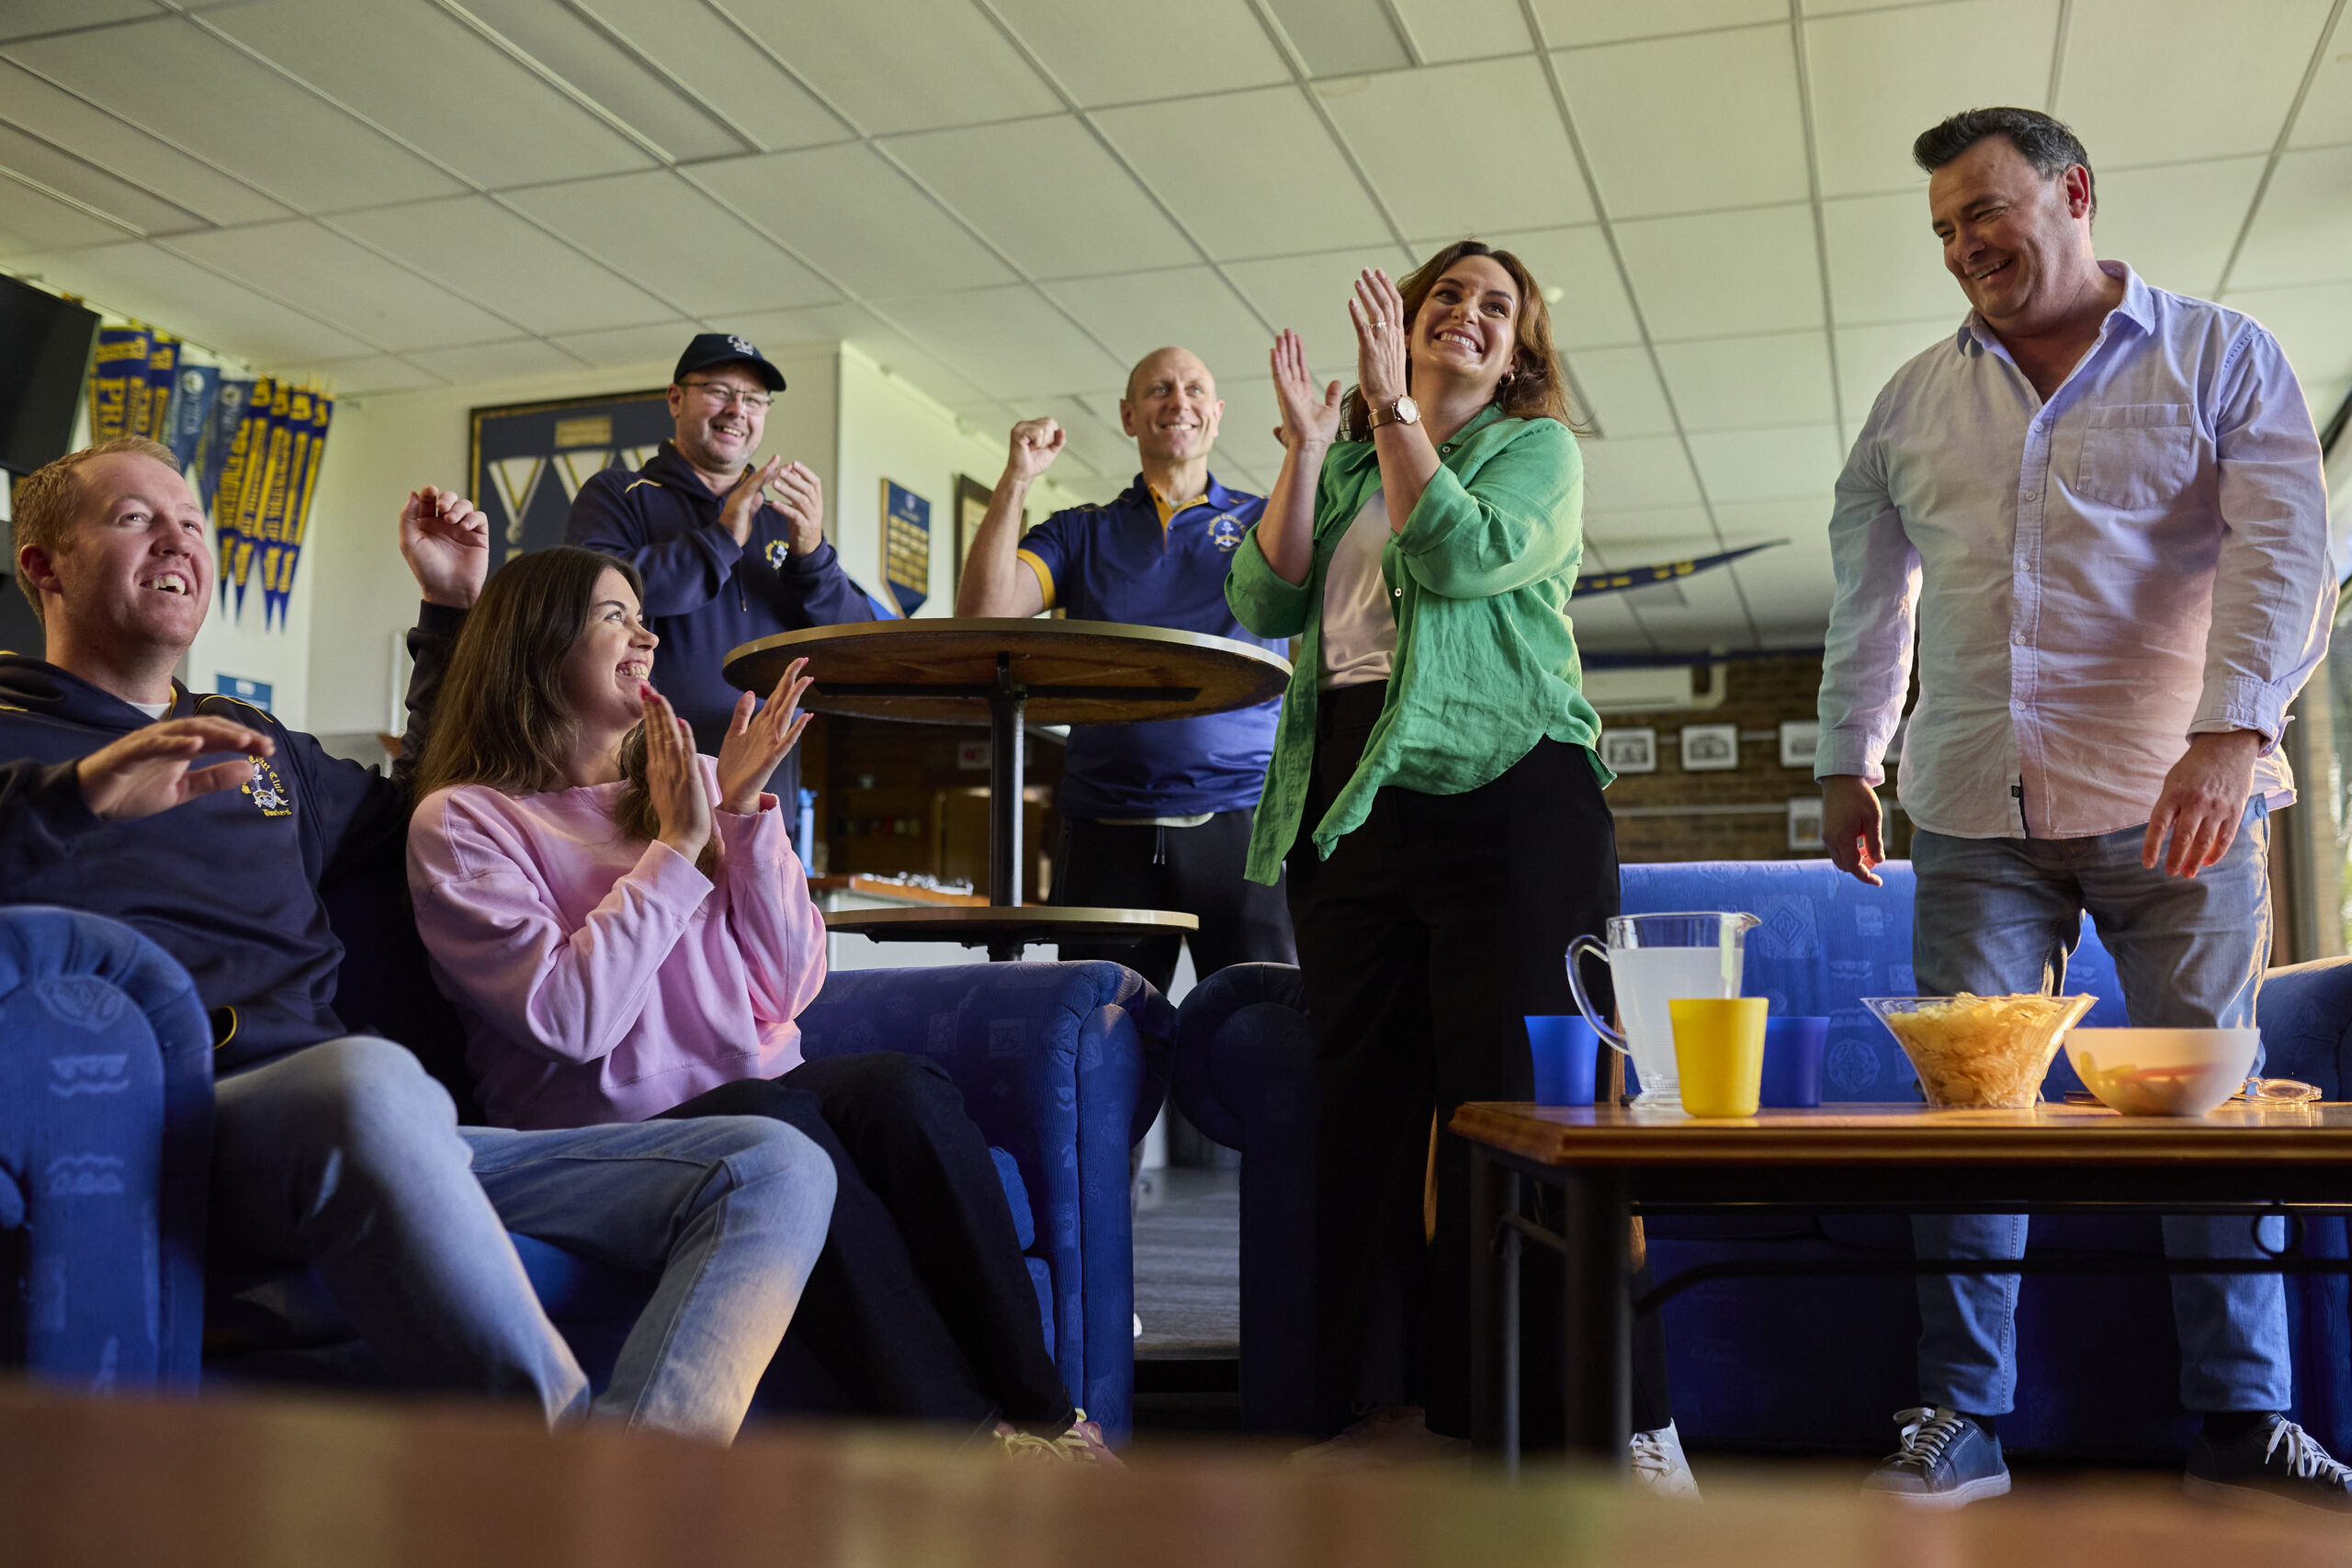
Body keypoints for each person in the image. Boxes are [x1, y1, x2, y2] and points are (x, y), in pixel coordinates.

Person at [0, 437, 834, 1444]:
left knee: (775, 1166)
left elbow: (419, 807)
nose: (178, 541)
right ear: (43, 565)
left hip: (369, 1121)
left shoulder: (254, 742)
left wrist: (447, 611)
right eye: (136, 519)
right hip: (171, 1116)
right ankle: (569, 1473)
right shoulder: (16, 737)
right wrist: (76, 796)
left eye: (191, 522)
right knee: (366, 1080)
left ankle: (636, 1482)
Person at [1815, 107, 2347, 1512]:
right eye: (1943, 227)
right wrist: (1848, 756)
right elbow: (1872, 592)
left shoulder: (2218, 354)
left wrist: (2234, 732)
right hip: (1972, 809)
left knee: (2205, 1111)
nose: (1963, 245)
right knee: (1970, 1115)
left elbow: (2289, 551)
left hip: (2181, 802)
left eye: (1983, 209)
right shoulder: (1912, 402)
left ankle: (2243, 1423)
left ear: (2073, 193)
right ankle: (1960, 1417)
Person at [403, 545, 1109, 1461]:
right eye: (615, 616)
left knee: (902, 1090)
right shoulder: (465, 822)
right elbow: (571, 1022)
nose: (646, 637)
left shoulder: (692, 785)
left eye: (642, 616)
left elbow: (790, 985)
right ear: (535, 645)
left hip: (760, 1089)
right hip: (611, 1134)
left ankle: (1053, 1423)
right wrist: (675, 849)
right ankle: (969, 1451)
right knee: (781, 1122)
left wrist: (738, 814)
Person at [1226, 242, 1690, 1494]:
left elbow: (1458, 554)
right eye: (1449, 294)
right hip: (1354, 790)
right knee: (1365, 1108)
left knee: (1533, 1109)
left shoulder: (1537, 450)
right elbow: (1264, 600)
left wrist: (1388, 406)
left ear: (1521, 348)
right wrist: (1304, 446)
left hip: (1510, 788)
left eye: (1498, 306)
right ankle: (1387, 1405)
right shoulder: (1346, 466)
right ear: (1411, 313)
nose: (1469, 314)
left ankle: (1614, 1418)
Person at [955, 347, 1295, 993]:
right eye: (1159, 389)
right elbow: (983, 614)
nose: (1179, 401)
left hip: (1243, 816)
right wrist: (1017, 478)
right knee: (1101, 1035)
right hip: (1106, 822)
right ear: (1129, 415)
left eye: (1195, 389)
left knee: (1261, 1026)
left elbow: (1319, 583)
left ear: (1217, 413)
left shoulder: (1263, 522)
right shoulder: (1080, 532)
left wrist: (1307, 454)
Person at [567, 333, 878, 803]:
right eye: (718, 391)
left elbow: (857, 642)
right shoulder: (618, 495)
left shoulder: (782, 521)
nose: (737, 410)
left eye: (753, 399)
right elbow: (596, 604)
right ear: (676, 399)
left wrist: (813, 556)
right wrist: (723, 538)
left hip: (764, 782)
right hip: (643, 774)